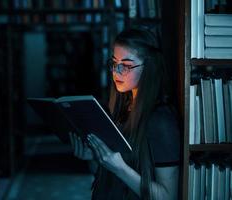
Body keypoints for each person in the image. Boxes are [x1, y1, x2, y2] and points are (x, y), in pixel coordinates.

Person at [68, 26, 180, 200]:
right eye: (114, 63)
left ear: (149, 67)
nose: (116, 72)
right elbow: (111, 180)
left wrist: (120, 168)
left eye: (126, 66)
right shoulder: (123, 107)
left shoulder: (161, 121)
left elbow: (168, 196)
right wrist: (94, 157)